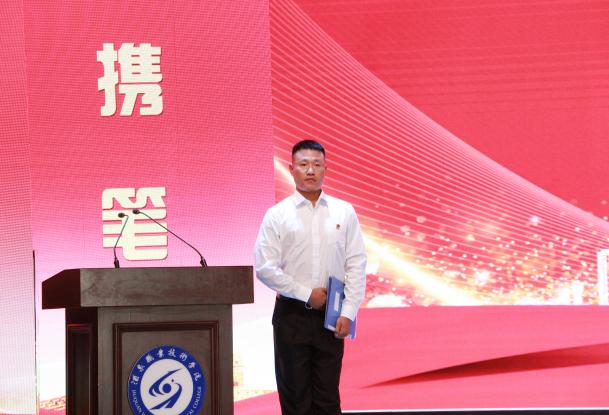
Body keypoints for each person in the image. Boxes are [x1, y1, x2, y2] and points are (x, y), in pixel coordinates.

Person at [254, 140, 367, 415]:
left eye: (317, 164)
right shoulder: (277, 215)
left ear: (326, 168)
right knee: (295, 399)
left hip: (331, 316)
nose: (310, 170)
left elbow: (356, 263)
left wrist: (349, 311)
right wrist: (306, 294)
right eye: (303, 164)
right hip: (291, 316)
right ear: (291, 169)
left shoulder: (344, 211)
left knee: (328, 399)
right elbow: (265, 267)